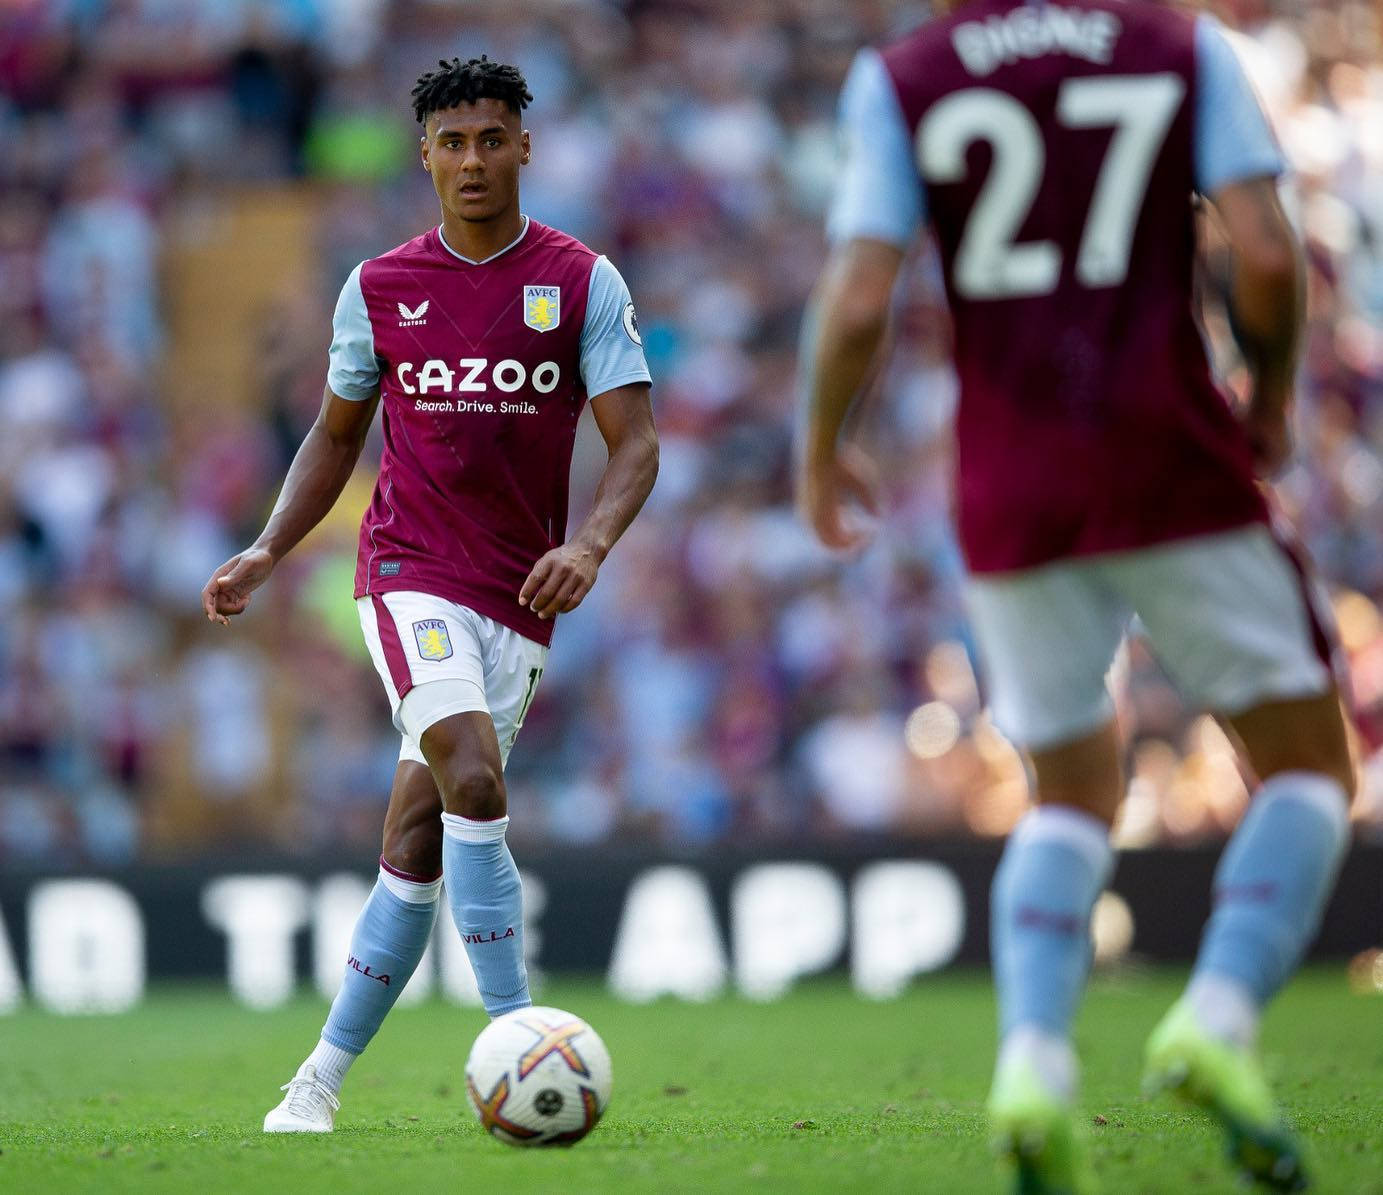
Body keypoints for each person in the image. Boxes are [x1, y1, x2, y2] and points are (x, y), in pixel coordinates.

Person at [797, 2, 1354, 1190]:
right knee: (1308, 763)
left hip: (1011, 487)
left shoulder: (904, 76)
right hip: (1170, 460)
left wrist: (818, 444)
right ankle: (1217, 1013)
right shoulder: (1181, 46)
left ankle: (1034, 1063)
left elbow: (856, 301)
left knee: (1069, 789)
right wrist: (1268, 394)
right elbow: (1263, 248)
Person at [201, 55, 658, 1133]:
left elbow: (636, 444)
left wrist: (589, 545)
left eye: (491, 139)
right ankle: (520, 1040)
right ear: (425, 154)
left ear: (524, 147)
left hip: (521, 592)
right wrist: (270, 547)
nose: (472, 160)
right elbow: (334, 435)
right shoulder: (378, 287)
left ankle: (315, 1078)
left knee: (416, 840)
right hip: (405, 570)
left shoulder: (582, 280)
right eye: (451, 143)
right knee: (473, 773)